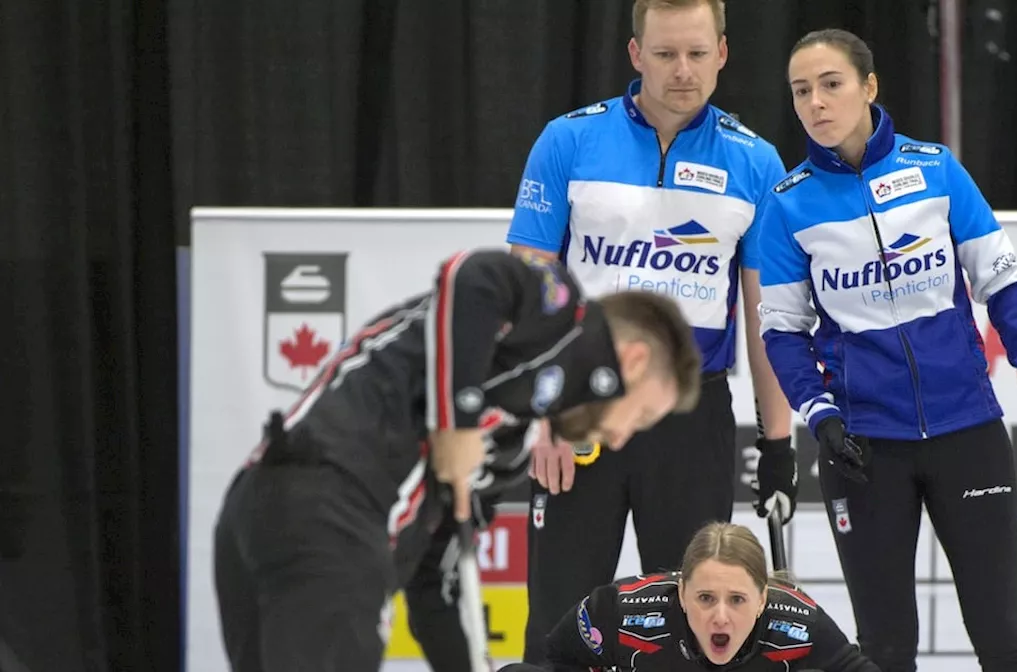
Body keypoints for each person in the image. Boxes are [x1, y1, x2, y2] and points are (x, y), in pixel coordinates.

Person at [212, 249, 704, 672]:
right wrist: (459, 422)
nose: (620, 439)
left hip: (272, 520)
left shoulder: (506, 449)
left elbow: (436, 584)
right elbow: (471, 277)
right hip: (326, 500)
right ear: (634, 362)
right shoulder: (558, 308)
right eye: (638, 416)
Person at [755, 29, 1017, 672]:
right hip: (865, 449)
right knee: (885, 646)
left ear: (869, 88)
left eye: (831, 84)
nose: (815, 103)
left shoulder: (935, 170)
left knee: (1002, 636)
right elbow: (782, 332)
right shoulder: (786, 206)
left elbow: (1003, 283)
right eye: (800, 91)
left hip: (967, 431)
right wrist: (822, 416)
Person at [505, 0, 799, 664]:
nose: (683, 71)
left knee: (694, 626)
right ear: (636, 55)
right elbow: (528, 290)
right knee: (560, 623)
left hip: (693, 419)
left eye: (697, 53)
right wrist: (547, 411)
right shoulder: (569, 140)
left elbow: (766, 319)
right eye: (665, 54)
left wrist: (778, 446)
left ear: (723, 53)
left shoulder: (757, 164)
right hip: (584, 408)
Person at [498, 522, 881, 672]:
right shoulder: (622, 609)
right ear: (681, 593)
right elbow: (556, 659)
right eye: (705, 598)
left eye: (737, 600)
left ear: (763, 598)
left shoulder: (796, 620)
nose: (720, 616)